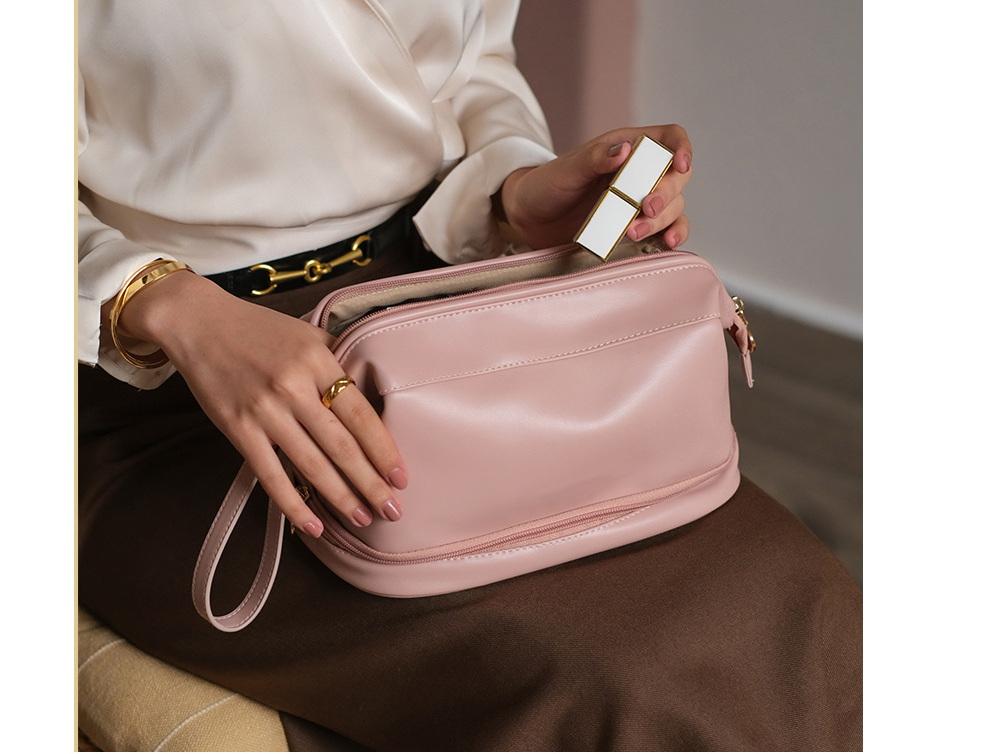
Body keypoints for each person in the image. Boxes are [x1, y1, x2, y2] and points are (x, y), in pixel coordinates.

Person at [78, 1, 861, 749]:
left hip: (430, 311)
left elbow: (472, 67)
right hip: (155, 374)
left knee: (796, 598)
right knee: (609, 680)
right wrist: (167, 306)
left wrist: (512, 188)